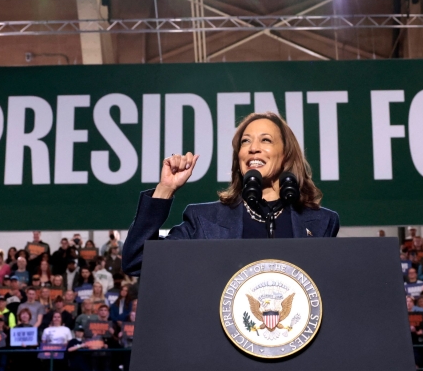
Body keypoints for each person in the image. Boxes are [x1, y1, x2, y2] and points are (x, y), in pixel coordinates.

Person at [121, 111, 340, 275]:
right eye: (246, 141)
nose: (253, 148)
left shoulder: (321, 222)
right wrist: (165, 188)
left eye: (266, 140)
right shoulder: (205, 222)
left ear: (286, 154)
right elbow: (138, 260)